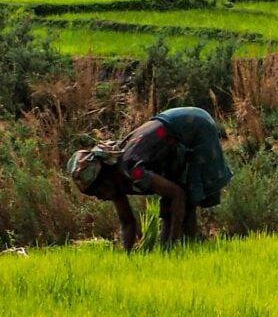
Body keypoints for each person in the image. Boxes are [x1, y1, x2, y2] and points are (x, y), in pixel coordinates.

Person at [67, 106, 233, 250]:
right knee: (169, 212)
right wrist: (127, 255)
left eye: (98, 192)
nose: (100, 198)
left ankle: (186, 246)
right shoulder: (115, 183)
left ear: (105, 178)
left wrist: (172, 242)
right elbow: (127, 223)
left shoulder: (132, 170)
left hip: (193, 126)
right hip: (171, 144)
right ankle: (176, 250)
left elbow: (178, 194)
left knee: (189, 198)